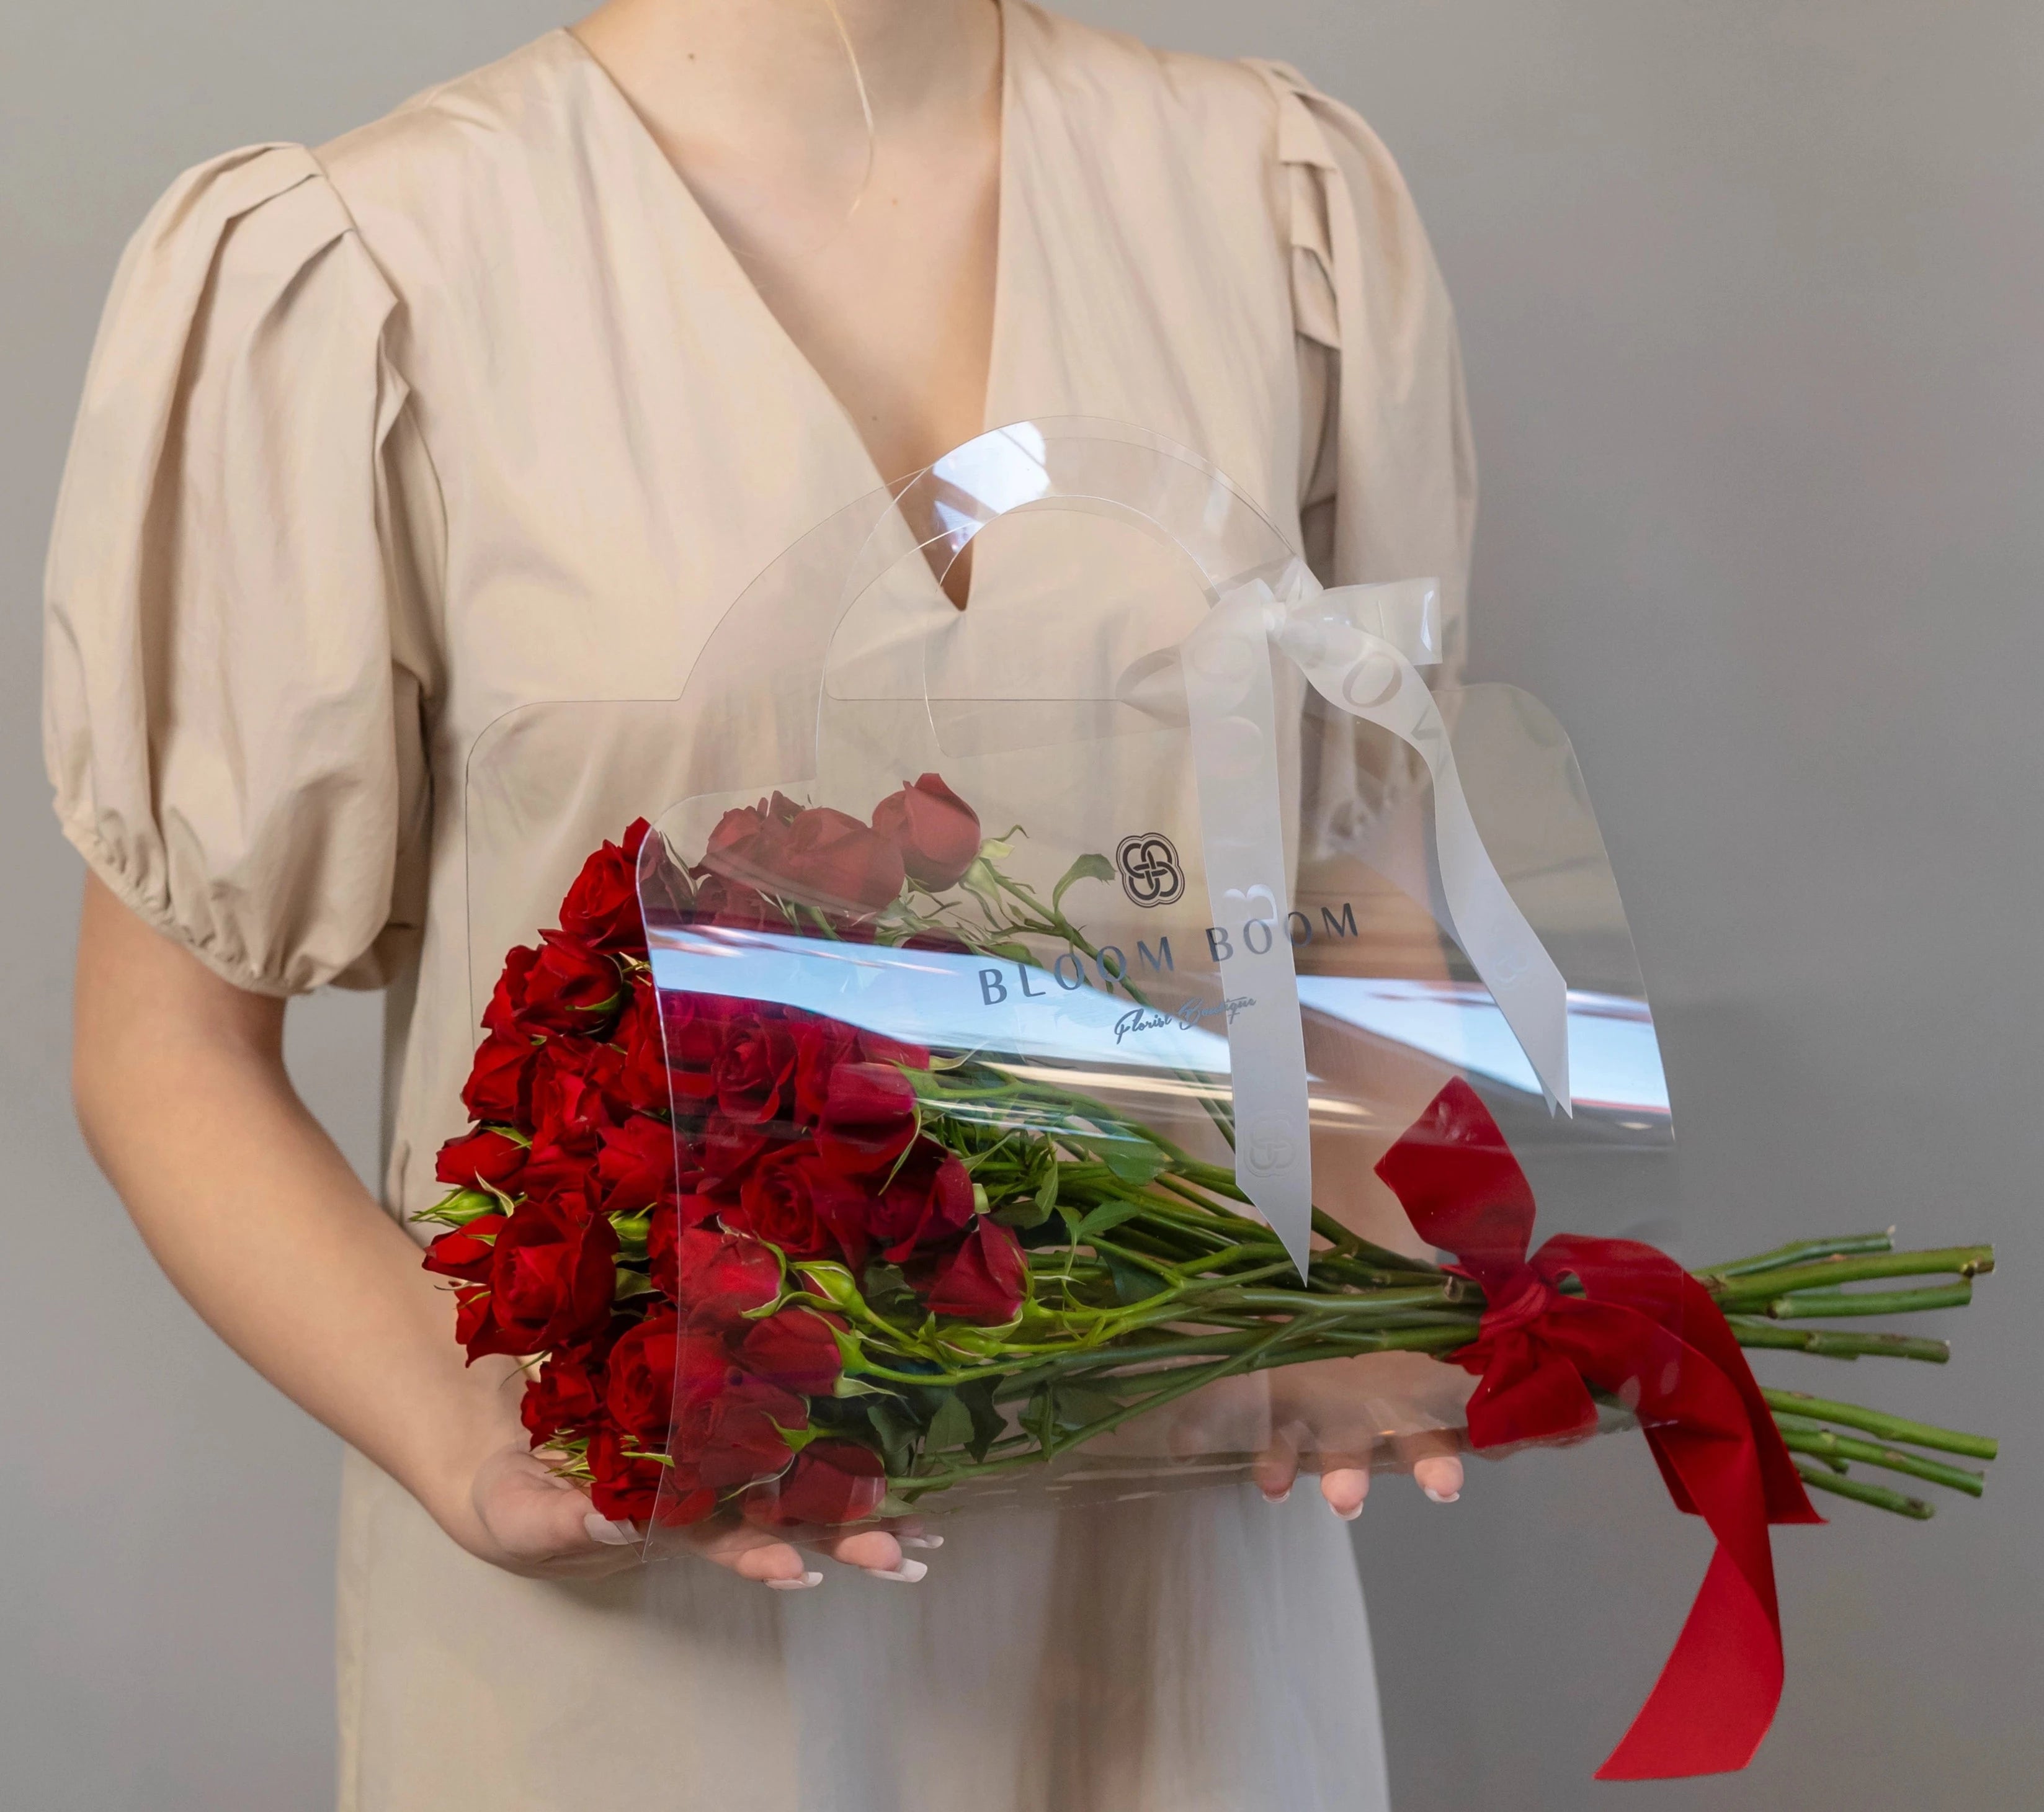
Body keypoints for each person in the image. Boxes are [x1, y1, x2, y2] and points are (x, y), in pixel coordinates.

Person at [47, 2, 1475, 1806]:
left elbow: (1362, 860)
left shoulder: (1276, 216)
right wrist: (456, 1415)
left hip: (1174, 1592)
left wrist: (1357, 1265)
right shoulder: (374, 272)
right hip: (638, 1627)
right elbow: (160, 1041)